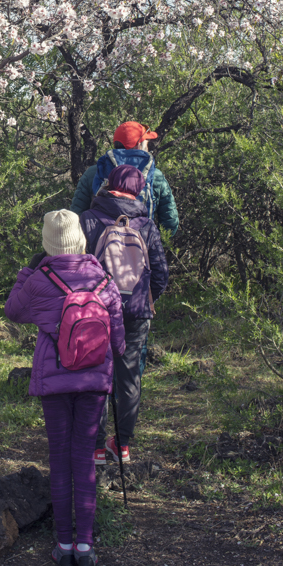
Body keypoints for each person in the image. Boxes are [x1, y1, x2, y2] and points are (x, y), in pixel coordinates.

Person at [5, 209, 125, 566]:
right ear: (80, 239)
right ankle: (86, 547)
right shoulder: (102, 277)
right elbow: (118, 340)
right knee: (84, 458)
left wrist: (28, 271)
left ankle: (64, 546)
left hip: (55, 382)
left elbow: (13, 311)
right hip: (93, 381)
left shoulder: (40, 279)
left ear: (47, 243)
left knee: (59, 457)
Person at [80, 165, 169, 465]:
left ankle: (95, 449)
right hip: (136, 312)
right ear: (138, 190)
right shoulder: (146, 225)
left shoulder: (89, 219)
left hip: (97, 311)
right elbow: (160, 274)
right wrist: (146, 298)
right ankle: (123, 445)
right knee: (129, 376)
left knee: (97, 376)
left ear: (110, 184)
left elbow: (79, 267)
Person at [70, 121, 179, 236]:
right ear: (139, 145)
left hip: (100, 249)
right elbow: (170, 222)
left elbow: (76, 216)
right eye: (146, 142)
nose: (148, 146)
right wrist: (152, 244)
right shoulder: (155, 176)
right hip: (140, 249)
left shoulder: (94, 172)